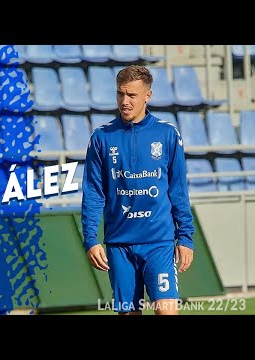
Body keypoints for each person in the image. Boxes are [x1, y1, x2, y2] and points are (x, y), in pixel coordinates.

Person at [81, 65, 195, 315]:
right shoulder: (101, 137)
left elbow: (178, 190)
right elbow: (93, 193)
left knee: (166, 311)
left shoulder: (167, 134)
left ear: (147, 96)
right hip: (119, 245)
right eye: (120, 94)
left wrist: (185, 237)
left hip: (159, 242)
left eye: (132, 95)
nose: (125, 101)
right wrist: (90, 239)